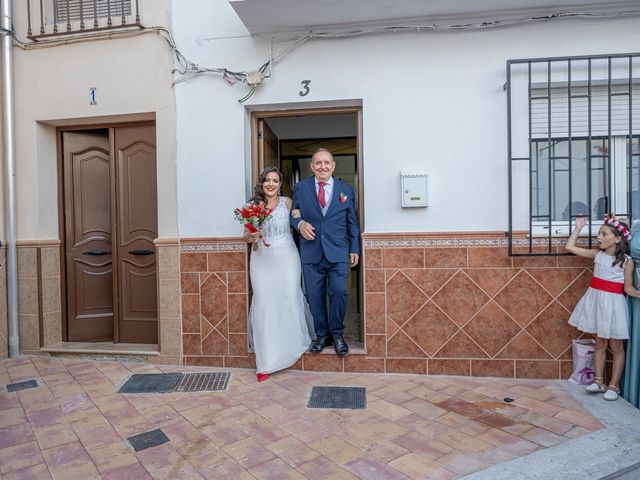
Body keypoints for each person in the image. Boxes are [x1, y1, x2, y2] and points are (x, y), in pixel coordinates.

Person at [242, 167, 312, 382]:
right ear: (261, 183)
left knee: (288, 299)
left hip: (287, 258)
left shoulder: (288, 202)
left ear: (280, 184)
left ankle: (291, 344)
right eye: (267, 180)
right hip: (262, 259)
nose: (271, 184)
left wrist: (302, 220)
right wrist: (251, 236)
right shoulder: (252, 206)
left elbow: (298, 221)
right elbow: (245, 236)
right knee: (264, 304)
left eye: (275, 180)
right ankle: (266, 361)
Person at [290, 148, 360, 356]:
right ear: (312, 166)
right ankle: (322, 335)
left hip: (338, 252)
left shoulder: (345, 190)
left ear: (333, 165)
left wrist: (354, 247)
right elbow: (293, 215)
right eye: (318, 163)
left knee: (339, 291)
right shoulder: (301, 188)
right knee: (314, 295)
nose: (323, 166)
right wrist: (300, 223)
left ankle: (337, 334)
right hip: (311, 252)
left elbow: (352, 223)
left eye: (326, 162)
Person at [566, 214, 640, 400]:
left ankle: (614, 386)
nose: (599, 237)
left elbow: (629, 289)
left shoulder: (627, 262)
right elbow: (570, 247)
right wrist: (578, 228)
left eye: (604, 234)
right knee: (600, 342)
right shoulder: (597, 255)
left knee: (616, 345)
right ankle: (599, 381)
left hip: (615, 306)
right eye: (599, 233)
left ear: (617, 239)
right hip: (597, 303)